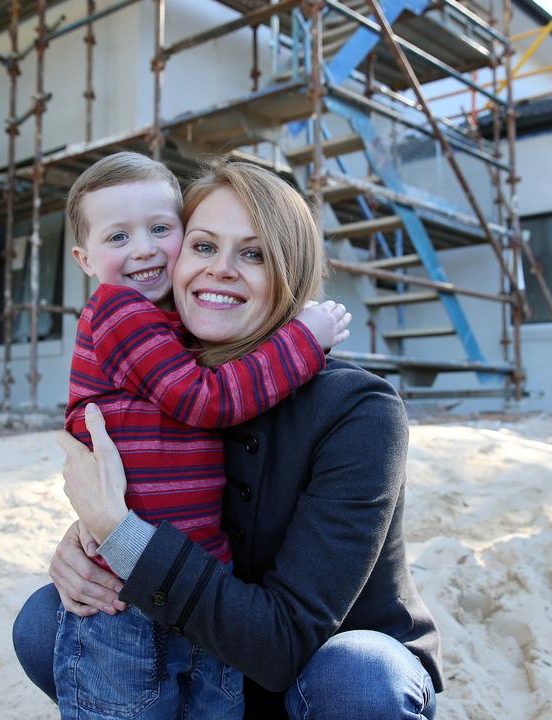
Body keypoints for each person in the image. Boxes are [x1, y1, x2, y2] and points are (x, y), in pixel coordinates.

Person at [13, 159, 442, 719]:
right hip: (204, 666)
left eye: (254, 253)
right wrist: (87, 545)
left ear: (291, 269)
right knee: (47, 618)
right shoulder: (159, 375)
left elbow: (286, 641)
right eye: (204, 245)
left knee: (361, 674)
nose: (220, 270)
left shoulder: (359, 409)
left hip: (307, 673)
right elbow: (152, 484)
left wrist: (120, 534)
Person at [51, 152, 351, 719]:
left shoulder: (173, 332)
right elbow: (205, 399)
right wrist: (305, 340)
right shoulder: (120, 313)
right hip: (132, 598)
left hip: (198, 586)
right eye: (119, 236)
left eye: (161, 229)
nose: (143, 248)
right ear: (84, 259)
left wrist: (108, 525)